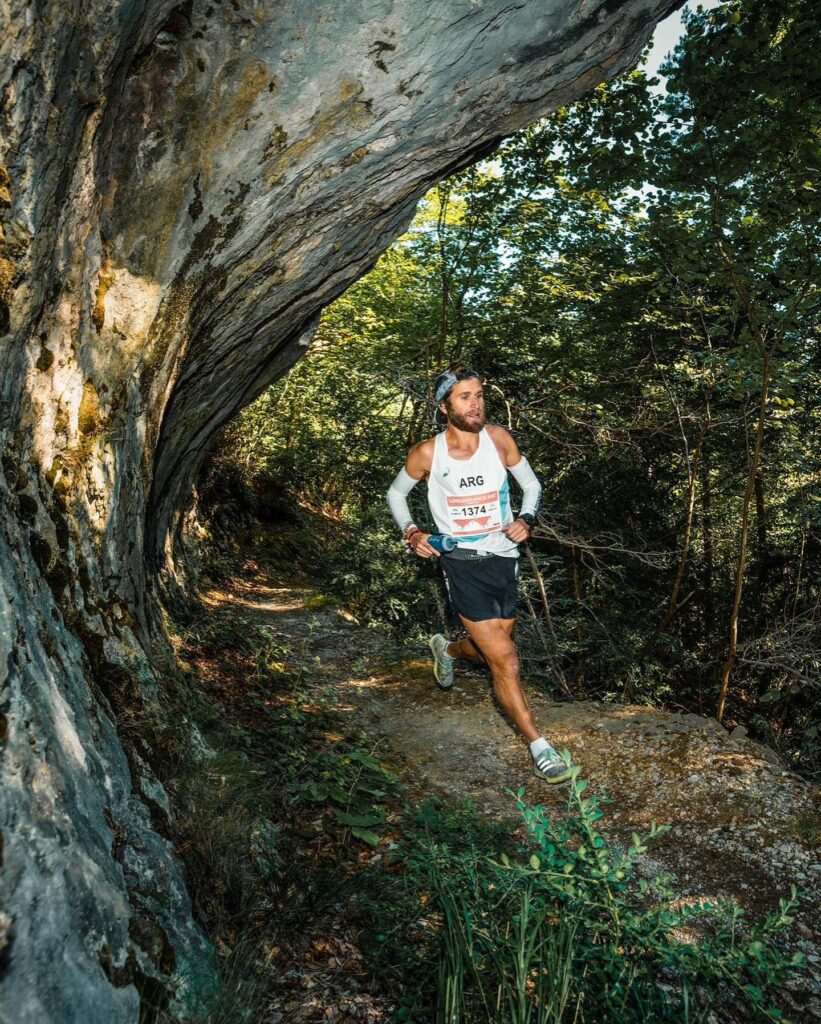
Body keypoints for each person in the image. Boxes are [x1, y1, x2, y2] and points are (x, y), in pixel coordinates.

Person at [386, 364, 572, 784]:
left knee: (494, 647)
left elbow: (533, 486)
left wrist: (527, 519)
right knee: (505, 657)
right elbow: (396, 494)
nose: (476, 404)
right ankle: (539, 747)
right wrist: (411, 531)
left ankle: (448, 651)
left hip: (504, 558)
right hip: (461, 563)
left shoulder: (500, 440)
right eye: (465, 397)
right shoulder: (427, 454)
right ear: (443, 407)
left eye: (479, 395)